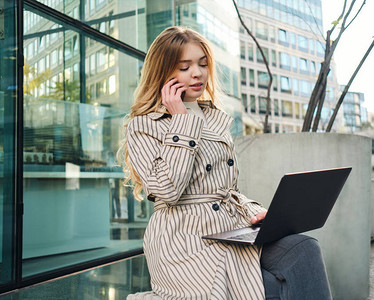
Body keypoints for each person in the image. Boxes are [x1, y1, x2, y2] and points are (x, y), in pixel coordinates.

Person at [121, 26, 331, 299]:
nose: (197, 73)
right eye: (184, 67)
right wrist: (182, 120)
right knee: (268, 288)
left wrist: (258, 213)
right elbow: (167, 190)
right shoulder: (143, 126)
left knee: (304, 249)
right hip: (186, 240)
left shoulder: (214, 117)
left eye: (202, 64)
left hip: (231, 229)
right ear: (164, 73)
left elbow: (226, 188)